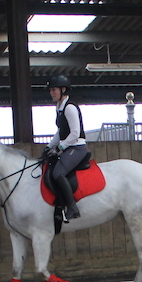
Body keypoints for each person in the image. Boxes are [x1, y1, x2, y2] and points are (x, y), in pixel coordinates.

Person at [45, 74, 88, 221]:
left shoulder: (70, 108)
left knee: (58, 173)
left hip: (77, 148)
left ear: (63, 90)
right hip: (69, 147)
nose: (51, 93)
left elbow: (75, 134)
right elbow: (60, 132)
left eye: (54, 90)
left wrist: (60, 147)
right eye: (50, 90)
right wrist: (49, 146)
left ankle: (72, 207)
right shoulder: (59, 108)